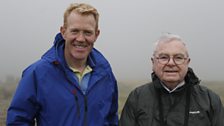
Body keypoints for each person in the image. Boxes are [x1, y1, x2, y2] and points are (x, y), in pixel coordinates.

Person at [7, 3, 118, 126]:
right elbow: (17, 121)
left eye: (87, 32)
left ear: (96, 35)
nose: (81, 38)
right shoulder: (37, 74)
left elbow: (111, 119)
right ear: (63, 32)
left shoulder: (106, 74)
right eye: (75, 31)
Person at [119, 33, 224, 126]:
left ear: (187, 62)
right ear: (153, 63)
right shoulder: (137, 98)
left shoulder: (210, 100)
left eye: (178, 57)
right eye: (164, 57)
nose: (170, 63)